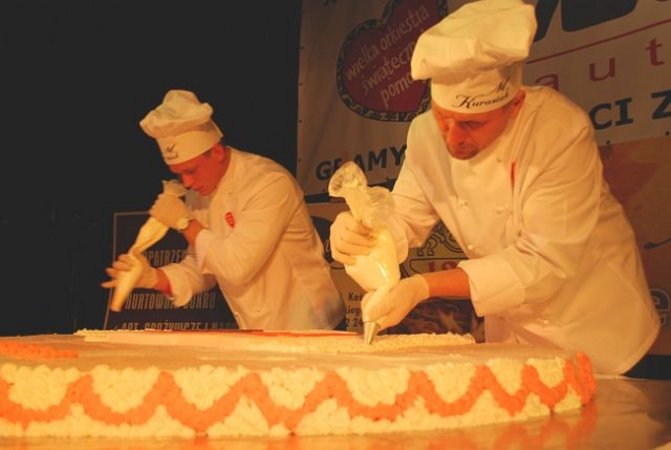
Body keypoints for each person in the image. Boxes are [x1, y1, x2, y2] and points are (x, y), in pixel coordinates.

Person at [329, 0, 660, 374]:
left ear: (514, 105)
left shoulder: (559, 130)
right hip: (513, 329)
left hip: (594, 324)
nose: (452, 138)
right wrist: (363, 232)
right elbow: (403, 216)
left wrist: (421, 287)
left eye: (472, 124)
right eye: (442, 118)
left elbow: (544, 261)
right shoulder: (423, 134)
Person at [103, 89, 345, 330]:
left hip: (313, 327)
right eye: (178, 174)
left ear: (217, 152)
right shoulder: (199, 193)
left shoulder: (268, 183)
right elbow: (204, 266)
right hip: (258, 331)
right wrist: (153, 278)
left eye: (191, 171)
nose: (187, 183)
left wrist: (185, 223)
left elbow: (237, 267)